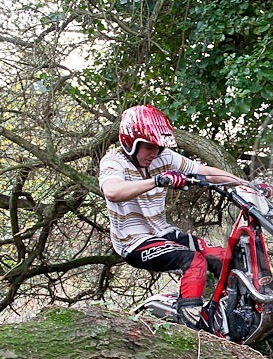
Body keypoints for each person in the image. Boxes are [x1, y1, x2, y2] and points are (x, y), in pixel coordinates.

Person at [99, 104, 247, 329]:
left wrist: (246, 185)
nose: (154, 153)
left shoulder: (163, 157)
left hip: (162, 232)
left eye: (158, 147)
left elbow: (204, 171)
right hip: (133, 243)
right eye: (149, 147)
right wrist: (157, 181)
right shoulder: (113, 162)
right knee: (193, 262)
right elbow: (112, 191)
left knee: (222, 257)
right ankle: (193, 327)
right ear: (130, 142)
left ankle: (230, 312)